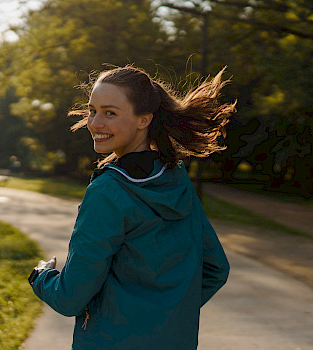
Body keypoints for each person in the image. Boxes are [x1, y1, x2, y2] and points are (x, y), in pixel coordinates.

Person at [28, 65, 235, 349]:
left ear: (144, 119)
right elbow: (215, 269)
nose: (94, 123)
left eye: (110, 113)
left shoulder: (108, 191)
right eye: (92, 111)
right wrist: (162, 316)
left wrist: (41, 276)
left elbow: (69, 297)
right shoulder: (176, 178)